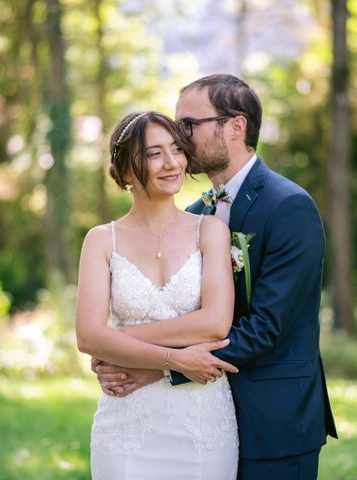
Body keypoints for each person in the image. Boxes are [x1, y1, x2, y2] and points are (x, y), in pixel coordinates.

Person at [94, 74, 338, 479]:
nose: (181, 138)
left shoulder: (289, 206)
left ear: (236, 126)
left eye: (189, 125)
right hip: (207, 414)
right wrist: (122, 354)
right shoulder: (195, 213)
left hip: (274, 418)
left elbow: (265, 328)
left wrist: (155, 365)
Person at [75, 110, 241, 480]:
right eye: (154, 154)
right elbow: (88, 336)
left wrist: (118, 340)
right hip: (126, 420)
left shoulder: (210, 231)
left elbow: (215, 323)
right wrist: (175, 359)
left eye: (176, 150)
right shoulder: (102, 240)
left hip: (202, 419)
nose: (172, 163)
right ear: (127, 170)